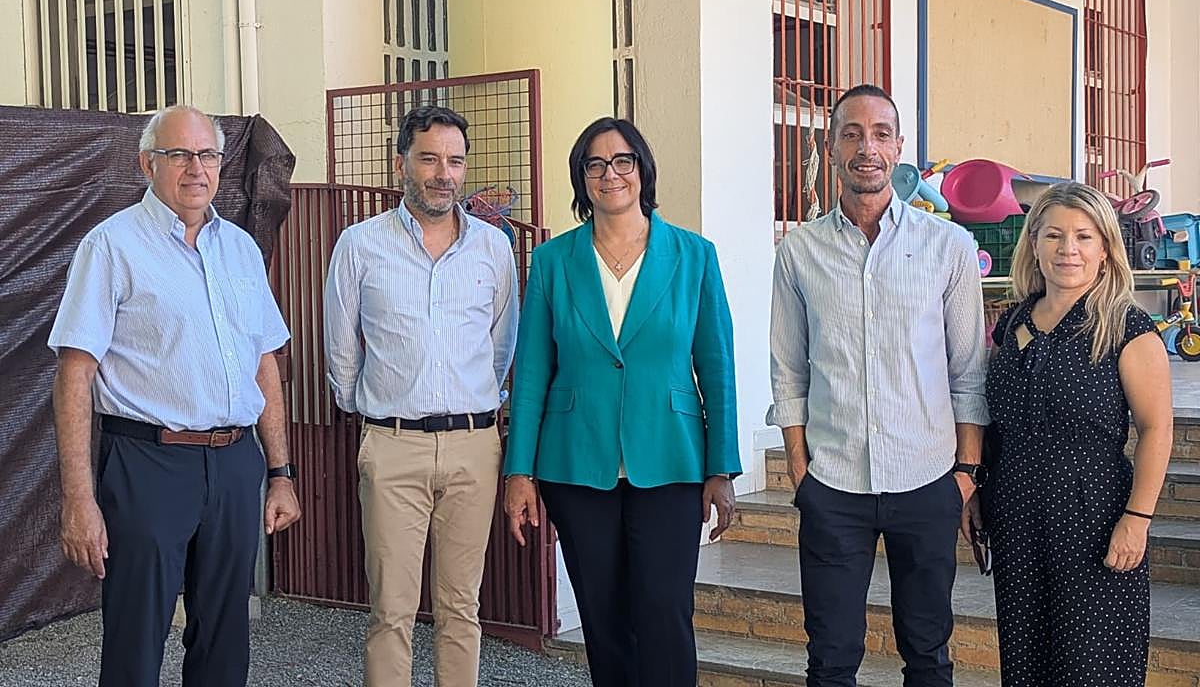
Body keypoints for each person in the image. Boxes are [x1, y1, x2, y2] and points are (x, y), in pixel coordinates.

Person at [48, 105, 300, 687]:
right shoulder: (110, 246)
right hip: (147, 463)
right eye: (178, 154)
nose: (196, 168)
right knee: (136, 638)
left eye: (207, 154)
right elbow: (75, 373)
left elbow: (264, 361)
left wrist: (280, 472)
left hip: (236, 463)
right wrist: (78, 499)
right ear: (147, 164)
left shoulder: (238, 248)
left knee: (224, 637)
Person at [502, 116, 740, 687]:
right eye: (595, 164)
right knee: (604, 622)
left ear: (643, 169)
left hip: (671, 462)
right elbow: (532, 372)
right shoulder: (554, 262)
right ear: (582, 179)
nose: (611, 174)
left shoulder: (693, 256)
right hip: (577, 465)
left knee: (664, 614)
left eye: (623, 161)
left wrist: (721, 467)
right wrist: (520, 472)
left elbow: (717, 366)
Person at [768, 84, 989, 687]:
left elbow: (968, 369)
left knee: (927, 653)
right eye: (852, 133)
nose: (868, 147)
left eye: (881, 134)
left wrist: (965, 474)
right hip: (834, 484)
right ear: (832, 145)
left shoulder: (948, 246)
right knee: (832, 656)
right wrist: (799, 469)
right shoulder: (799, 253)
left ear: (898, 148)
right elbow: (789, 369)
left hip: (927, 478)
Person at [323, 105, 519, 687]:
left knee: (462, 610)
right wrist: (373, 411)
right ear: (401, 162)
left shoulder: (493, 248)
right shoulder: (360, 245)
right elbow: (340, 348)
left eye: (455, 161)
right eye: (429, 158)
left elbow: (500, 347)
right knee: (391, 613)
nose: (443, 173)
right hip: (393, 446)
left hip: (474, 448)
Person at [978, 181, 1173, 686]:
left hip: (1093, 518)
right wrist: (976, 489)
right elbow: (993, 418)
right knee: (1026, 660)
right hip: (1017, 516)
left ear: (1105, 249)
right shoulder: (1014, 322)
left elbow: (1156, 430)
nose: (1068, 249)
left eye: (1084, 237)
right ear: (1034, 245)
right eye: (1054, 236)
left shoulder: (1126, 328)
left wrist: (1138, 518)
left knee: (1091, 664)